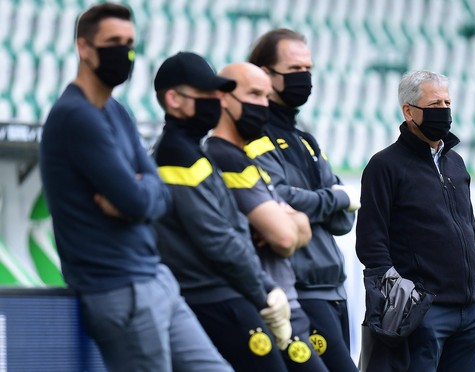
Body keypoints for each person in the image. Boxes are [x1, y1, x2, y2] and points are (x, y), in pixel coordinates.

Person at [39, 4, 231, 371]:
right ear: (84, 47)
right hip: (118, 288)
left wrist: (138, 195)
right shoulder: (75, 116)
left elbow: (157, 195)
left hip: (155, 278)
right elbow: (137, 198)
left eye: (129, 43)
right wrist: (138, 195)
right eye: (113, 42)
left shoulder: (116, 111)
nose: (124, 52)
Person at [152, 52, 291, 371]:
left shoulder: (191, 151)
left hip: (223, 293)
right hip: (213, 297)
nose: (216, 101)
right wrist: (265, 293)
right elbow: (217, 239)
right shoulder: (177, 156)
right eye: (206, 95)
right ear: (173, 99)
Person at [355, 70, 475, 371]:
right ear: (408, 111)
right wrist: (407, 304)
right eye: (434, 105)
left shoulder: (455, 162)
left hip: (471, 312)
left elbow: (471, 230)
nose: (443, 111)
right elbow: (370, 243)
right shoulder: (384, 166)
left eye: (447, 103)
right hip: (425, 314)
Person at [245, 29, 359, 371]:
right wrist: (333, 199)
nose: (305, 78)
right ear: (265, 74)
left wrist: (319, 203)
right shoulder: (254, 136)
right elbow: (277, 199)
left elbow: (345, 219)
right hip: (300, 291)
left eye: (307, 69)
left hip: (335, 290)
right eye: (294, 70)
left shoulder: (305, 140)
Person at [205, 62, 329, 372]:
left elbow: (301, 230)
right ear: (223, 98)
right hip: (265, 307)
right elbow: (287, 238)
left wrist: (288, 220)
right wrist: (287, 221)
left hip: (286, 303)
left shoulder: (247, 157)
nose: (263, 104)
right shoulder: (224, 156)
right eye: (254, 94)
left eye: (266, 96)